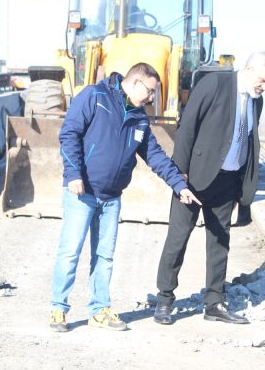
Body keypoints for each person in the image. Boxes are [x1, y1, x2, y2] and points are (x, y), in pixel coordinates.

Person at [49, 62, 200, 333]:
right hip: (82, 192)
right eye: (151, 91)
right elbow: (69, 133)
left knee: (104, 255)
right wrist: (74, 174)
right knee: (70, 251)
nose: (153, 98)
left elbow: (155, 157)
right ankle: (58, 309)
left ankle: (99, 310)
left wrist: (179, 185)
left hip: (111, 197)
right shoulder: (95, 97)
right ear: (135, 82)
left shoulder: (139, 118)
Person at [153, 51, 265, 325]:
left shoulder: (257, 102)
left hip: (227, 181)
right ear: (248, 69)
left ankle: (214, 302)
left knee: (220, 243)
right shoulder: (215, 84)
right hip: (194, 179)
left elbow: (248, 139)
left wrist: (241, 187)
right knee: (177, 240)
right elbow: (187, 126)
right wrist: (179, 173)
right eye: (263, 80)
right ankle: (164, 300)